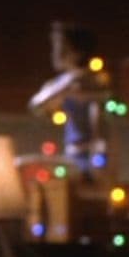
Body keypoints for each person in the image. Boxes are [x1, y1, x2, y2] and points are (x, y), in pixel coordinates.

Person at [28, 21, 111, 179]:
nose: (55, 54)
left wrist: (99, 155)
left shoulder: (90, 81)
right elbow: (36, 105)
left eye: (61, 48)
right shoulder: (63, 83)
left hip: (92, 153)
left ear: (77, 52)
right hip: (72, 149)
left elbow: (99, 120)